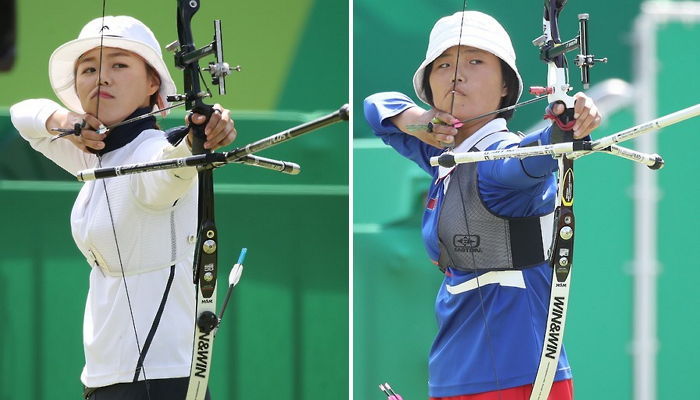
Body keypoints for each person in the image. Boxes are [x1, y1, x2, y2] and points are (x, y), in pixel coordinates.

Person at [363, 10, 601, 400]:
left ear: (506, 86)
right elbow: (376, 108)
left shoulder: (496, 162)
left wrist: (565, 126)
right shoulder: (443, 155)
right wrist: (416, 120)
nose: (456, 74)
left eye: (475, 61)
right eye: (442, 65)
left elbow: (530, 156)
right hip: (453, 370)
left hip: (517, 376)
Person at [10, 16, 236, 400]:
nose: (102, 78)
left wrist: (199, 136)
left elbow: (168, 167)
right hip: (106, 378)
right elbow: (22, 114)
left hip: (159, 380)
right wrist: (65, 121)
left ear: (153, 83)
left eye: (119, 64)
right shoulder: (95, 155)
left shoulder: (149, 153)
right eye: (89, 68)